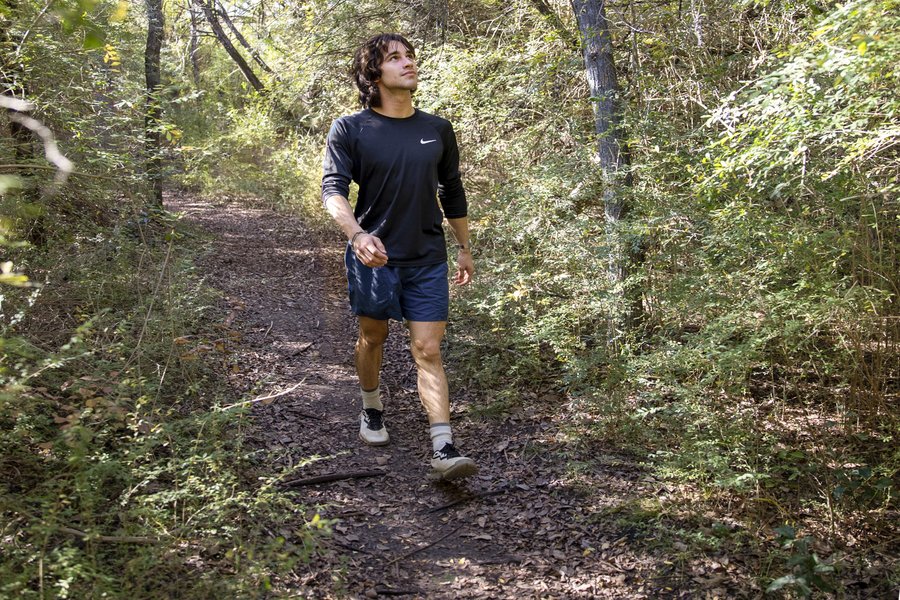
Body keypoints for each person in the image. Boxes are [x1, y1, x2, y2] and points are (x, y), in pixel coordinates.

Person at [321, 33, 477, 481]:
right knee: (373, 337)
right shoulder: (351, 128)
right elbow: (333, 189)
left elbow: (452, 189)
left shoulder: (437, 128)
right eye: (395, 58)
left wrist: (464, 248)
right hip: (374, 256)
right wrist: (356, 235)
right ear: (374, 74)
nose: (407, 63)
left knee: (427, 349)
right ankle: (371, 407)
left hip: (428, 256)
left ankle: (443, 448)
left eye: (409, 55)